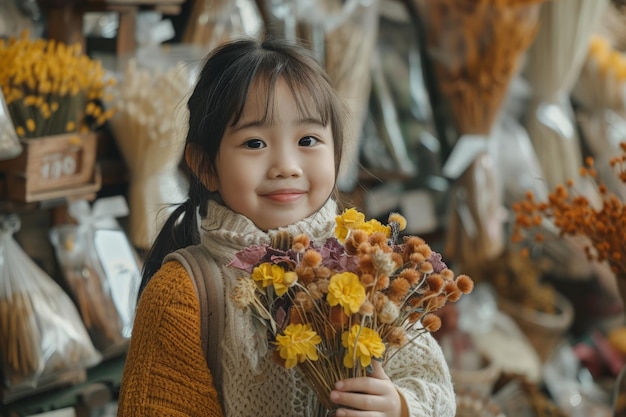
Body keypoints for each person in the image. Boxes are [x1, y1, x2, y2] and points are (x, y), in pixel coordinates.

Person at [117, 37, 456, 417]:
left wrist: (399, 406)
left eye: (308, 140)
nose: (286, 166)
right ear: (205, 166)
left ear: (337, 154)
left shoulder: (366, 268)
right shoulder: (181, 296)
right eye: (255, 142)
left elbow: (431, 386)